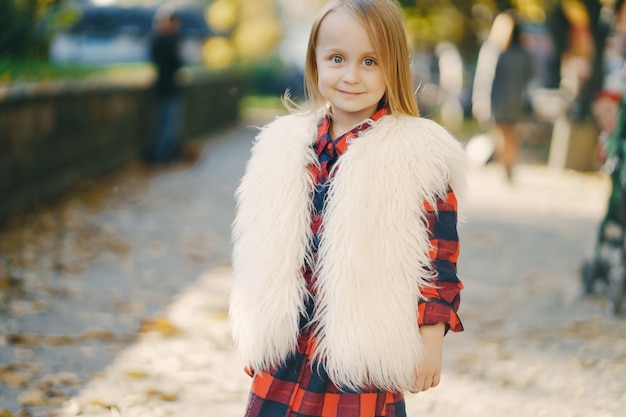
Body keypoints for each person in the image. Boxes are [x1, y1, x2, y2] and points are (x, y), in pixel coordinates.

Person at [229, 1, 468, 416]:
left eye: (370, 61)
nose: (351, 75)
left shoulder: (417, 156)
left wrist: (430, 342)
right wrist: (258, 329)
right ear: (316, 61)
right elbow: (260, 248)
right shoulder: (284, 148)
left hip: (359, 353)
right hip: (288, 349)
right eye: (337, 59)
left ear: (393, 66)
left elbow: (438, 259)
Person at [489, 11, 535, 180]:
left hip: (499, 101)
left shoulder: (497, 51)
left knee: (502, 136)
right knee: (513, 137)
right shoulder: (524, 54)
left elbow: (488, 78)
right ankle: (510, 165)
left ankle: (505, 166)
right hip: (517, 102)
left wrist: (482, 102)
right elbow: (531, 77)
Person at [146, 5, 184, 164]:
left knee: (168, 125)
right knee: (167, 126)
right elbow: (174, 63)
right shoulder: (164, 41)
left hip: (167, 87)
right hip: (167, 88)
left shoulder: (163, 40)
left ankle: (166, 154)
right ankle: (162, 155)